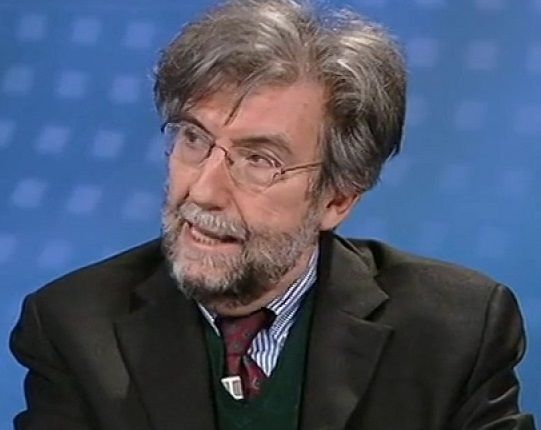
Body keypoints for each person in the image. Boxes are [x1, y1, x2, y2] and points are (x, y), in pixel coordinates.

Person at [9, 0, 535, 429]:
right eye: (194, 138)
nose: (203, 191)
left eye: (259, 160)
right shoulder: (74, 329)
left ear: (337, 199)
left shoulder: (455, 333)